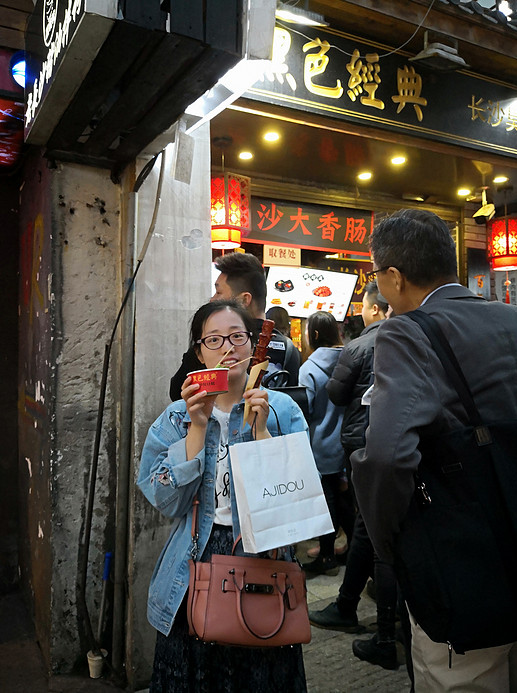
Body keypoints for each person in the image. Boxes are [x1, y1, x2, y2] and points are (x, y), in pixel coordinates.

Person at [351, 208, 517, 691]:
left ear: (394, 277)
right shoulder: (513, 317)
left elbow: (385, 455)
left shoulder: (406, 331)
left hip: (462, 564)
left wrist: (386, 543)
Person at [139, 299, 308, 693]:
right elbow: (167, 503)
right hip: (195, 565)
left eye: (237, 336)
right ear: (199, 351)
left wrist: (263, 435)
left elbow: (296, 509)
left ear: (253, 345)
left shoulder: (281, 409)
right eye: (214, 339)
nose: (228, 348)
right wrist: (197, 428)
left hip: (264, 561)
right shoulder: (176, 417)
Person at [308, 284, 400, 672]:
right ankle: (351, 605)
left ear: (377, 309)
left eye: (364, 306)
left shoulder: (362, 346)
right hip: (399, 442)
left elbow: (337, 393)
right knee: (368, 527)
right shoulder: (411, 337)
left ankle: (382, 632)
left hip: (364, 445)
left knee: (375, 533)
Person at [169, 253, 300, 400]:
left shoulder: (212, 344)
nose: (212, 299)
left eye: (219, 292)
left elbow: (176, 392)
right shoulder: (289, 349)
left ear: (244, 300)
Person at [298, 311, 347, 577]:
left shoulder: (309, 369)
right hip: (345, 443)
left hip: (318, 446)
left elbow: (305, 411)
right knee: (341, 501)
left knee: (325, 503)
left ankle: (326, 555)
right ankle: (341, 549)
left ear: (314, 335)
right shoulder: (350, 361)